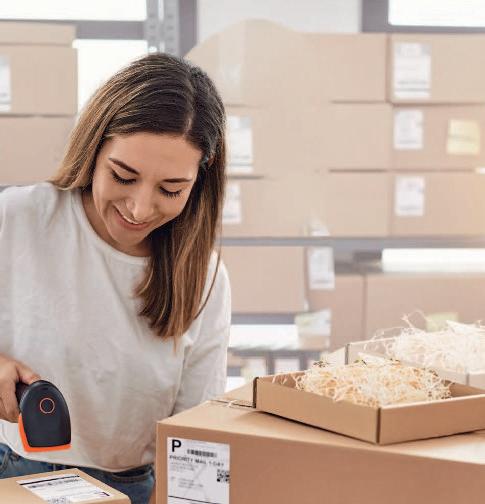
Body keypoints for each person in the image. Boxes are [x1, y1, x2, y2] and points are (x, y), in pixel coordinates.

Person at [0, 53, 231, 504]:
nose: (140, 209)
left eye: (171, 190)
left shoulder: (204, 278)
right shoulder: (17, 220)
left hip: (133, 488)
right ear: (94, 149)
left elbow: (198, 437)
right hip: (14, 474)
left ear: (198, 183)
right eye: (123, 177)